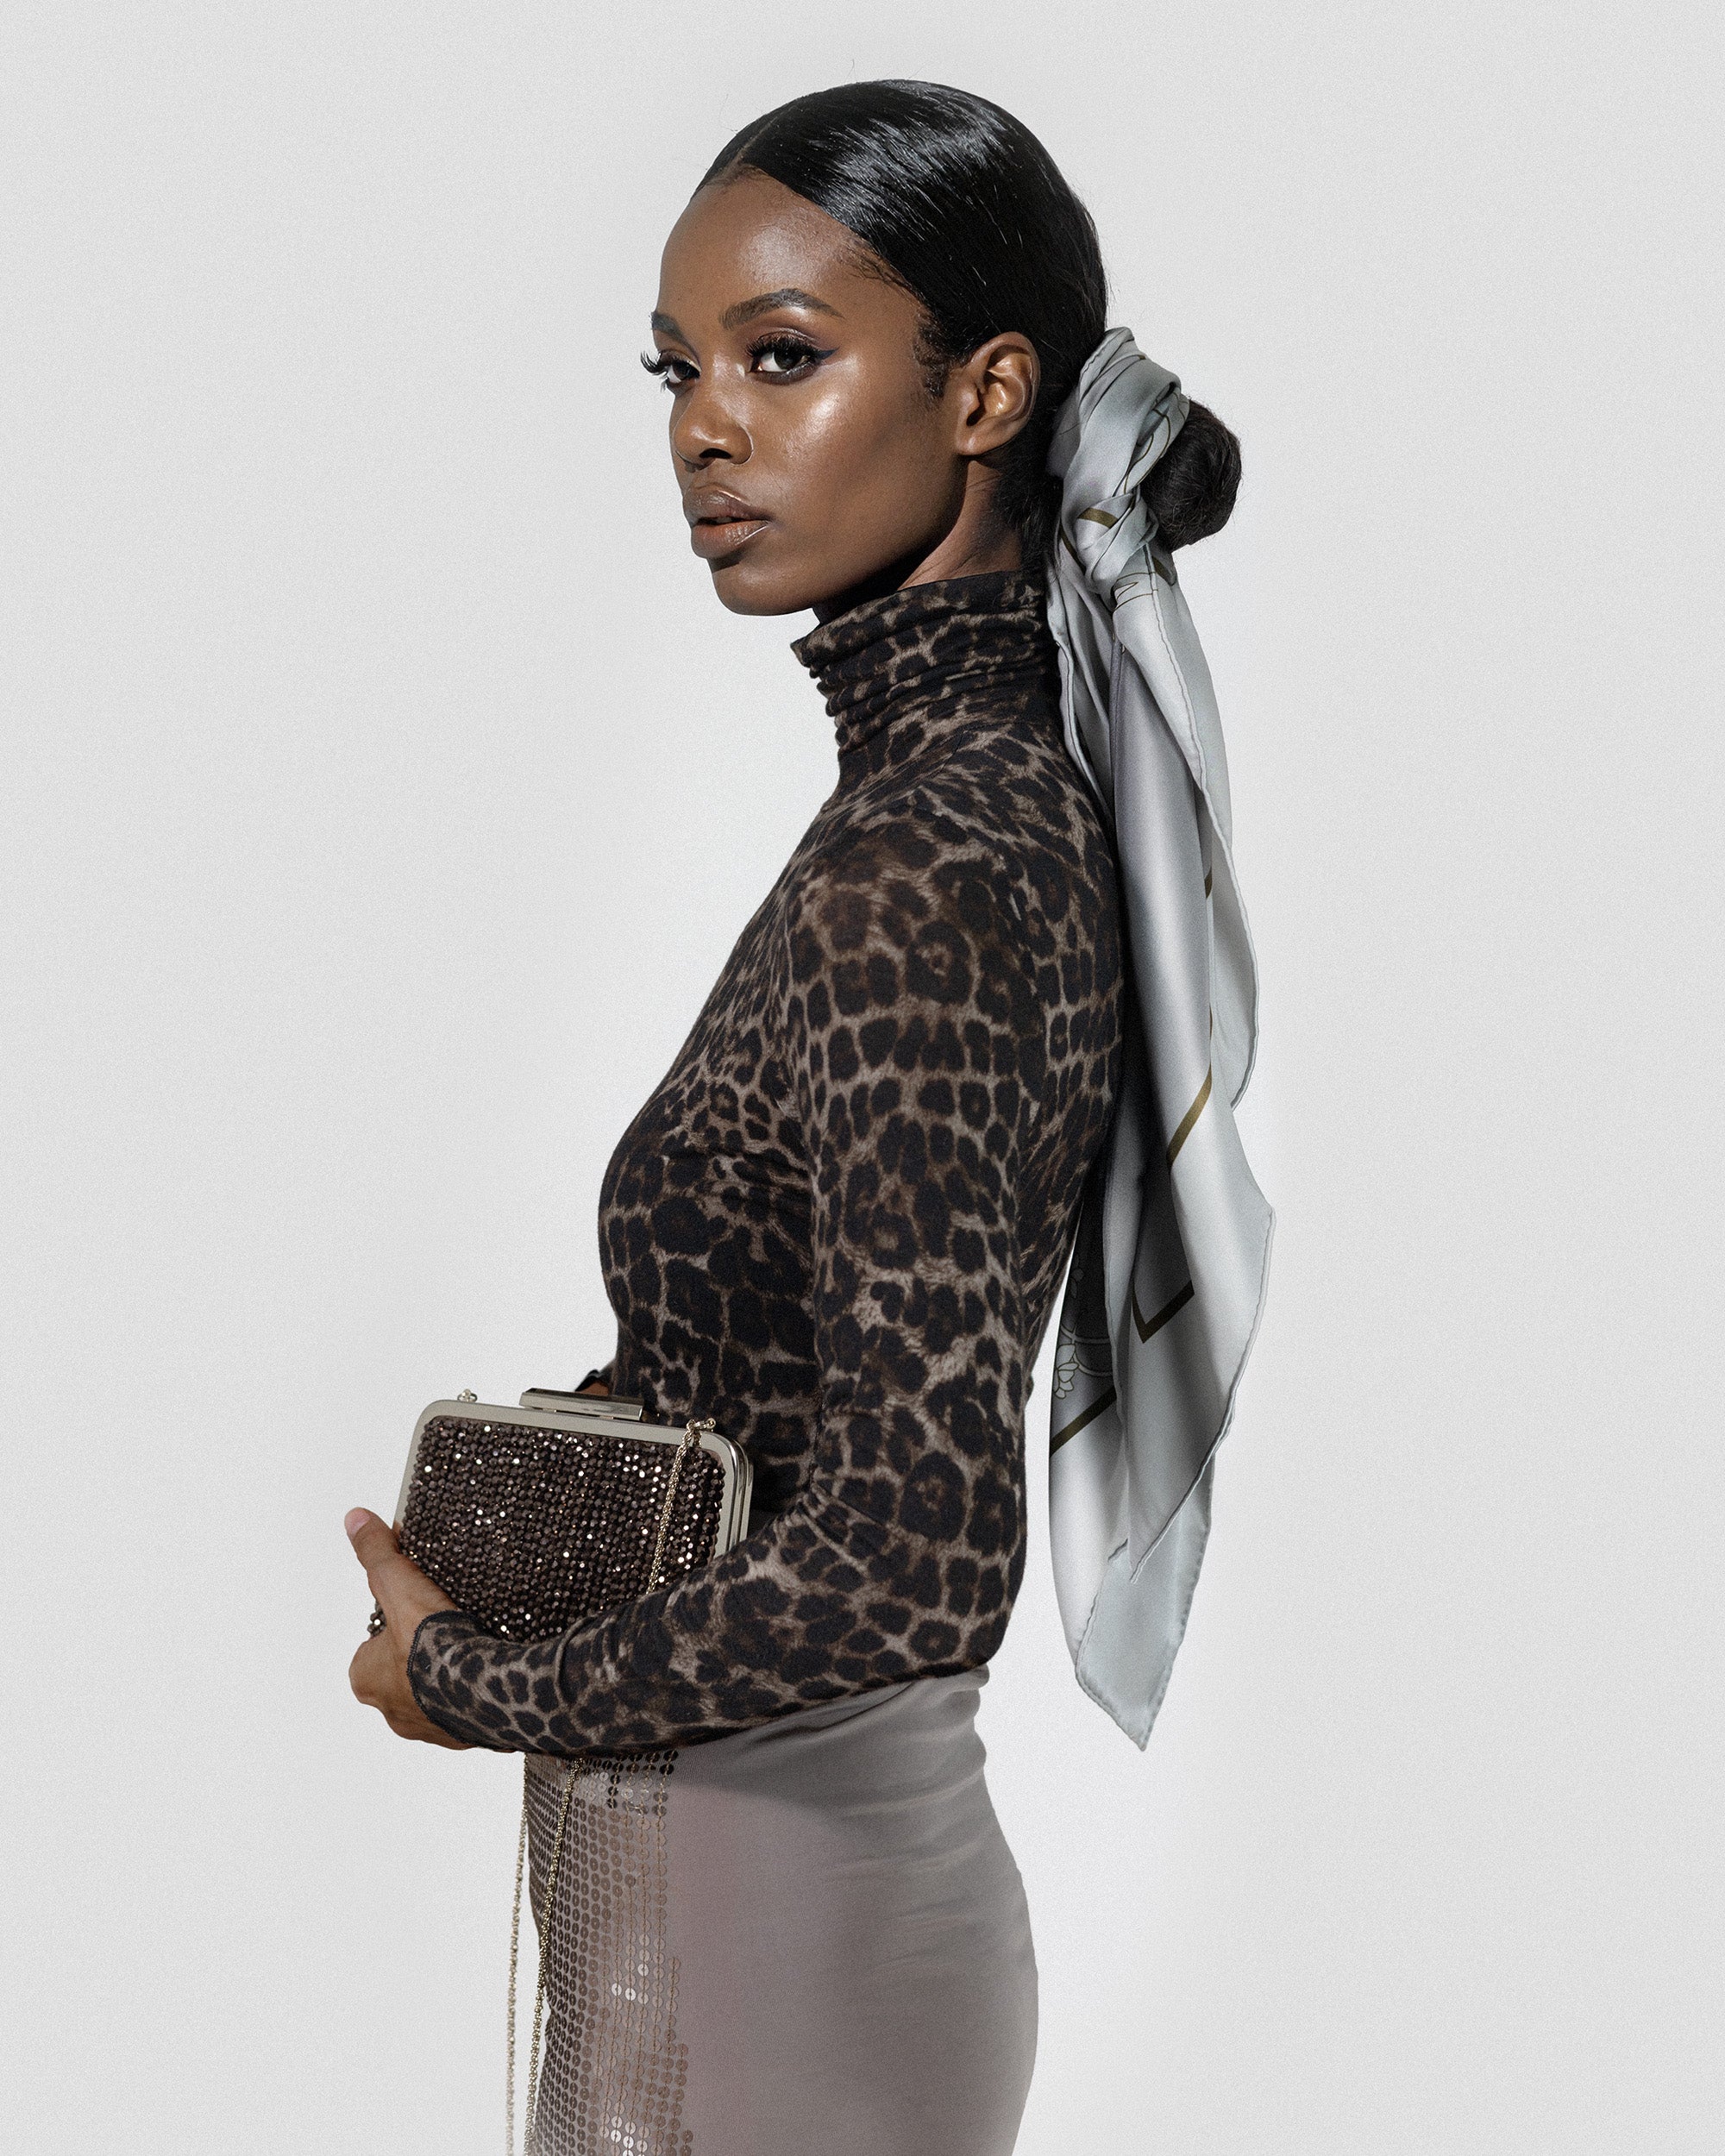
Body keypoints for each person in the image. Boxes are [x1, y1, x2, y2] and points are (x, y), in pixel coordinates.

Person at [344, 78, 1251, 2156]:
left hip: (779, 1911)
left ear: (984, 392)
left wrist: (471, 1676)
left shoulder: (927, 863)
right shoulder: (956, 809)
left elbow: (915, 1555)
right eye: (675, 370)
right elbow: (815, 1409)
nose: (701, 428)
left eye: (779, 356)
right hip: (765, 1887)